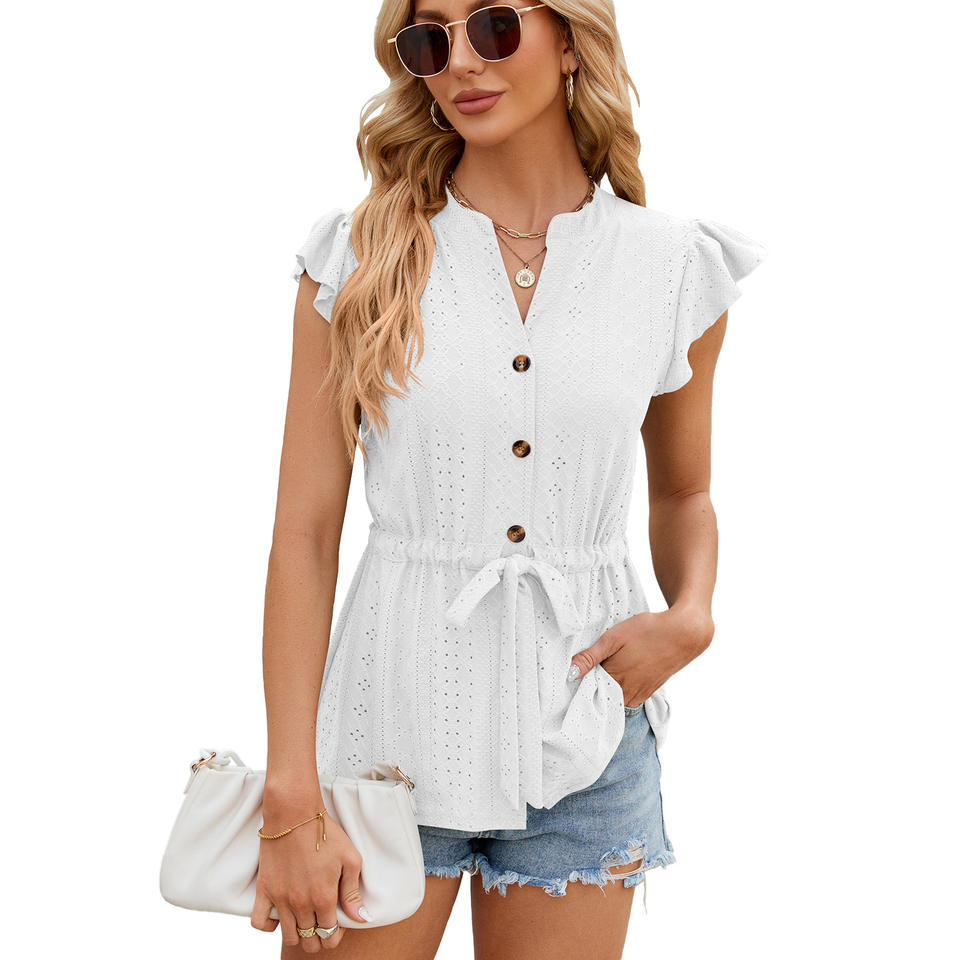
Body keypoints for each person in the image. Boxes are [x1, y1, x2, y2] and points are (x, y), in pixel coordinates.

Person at [253, 1, 766, 957]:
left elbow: (683, 493)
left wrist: (693, 614)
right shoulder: (359, 258)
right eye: (428, 38)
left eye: (493, 26)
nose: (459, 60)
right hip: (385, 735)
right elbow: (304, 534)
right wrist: (289, 787)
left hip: (586, 735)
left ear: (570, 38)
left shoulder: (671, 267)